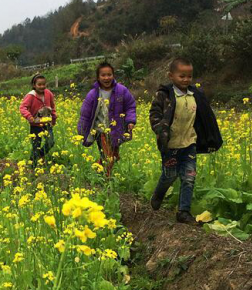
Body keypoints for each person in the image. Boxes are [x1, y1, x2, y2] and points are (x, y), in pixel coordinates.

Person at [149, 57, 223, 224]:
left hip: (190, 143)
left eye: (189, 76)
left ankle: (183, 212)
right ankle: (158, 194)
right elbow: (154, 114)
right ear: (171, 76)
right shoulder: (164, 95)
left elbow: (205, 117)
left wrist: (210, 138)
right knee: (170, 176)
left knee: (189, 177)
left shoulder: (195, 94)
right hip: (170, 145)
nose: (186, 80)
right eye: (181, 76)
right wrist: (160, 130)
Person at [77, 62, 136, 178]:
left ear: (113, 75)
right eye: (103, 75)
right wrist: (82, 131)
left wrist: (130, 121)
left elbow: (130, 106)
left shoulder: (121, 90)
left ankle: (97, 169)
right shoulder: (93, 94)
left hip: (116, 129)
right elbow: (85, 114)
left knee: (114, 155)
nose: (106, 78)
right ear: (98, 77)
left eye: (109, 75)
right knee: (108, 156)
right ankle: (106, 179)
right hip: (101, 131)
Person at [20, 73, 57, 167]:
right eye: (39, 85)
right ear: (34, 85)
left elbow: (52, 106)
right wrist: (29, 117)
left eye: (44, 84)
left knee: (50, 142)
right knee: (36, 146)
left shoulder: (48, 93)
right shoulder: (30, 96)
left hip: (47, 123)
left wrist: (54, 118)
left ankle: (40, 155)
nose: (42, 86)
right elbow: (23, 107)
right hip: (35, 125)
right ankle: (32, 166)